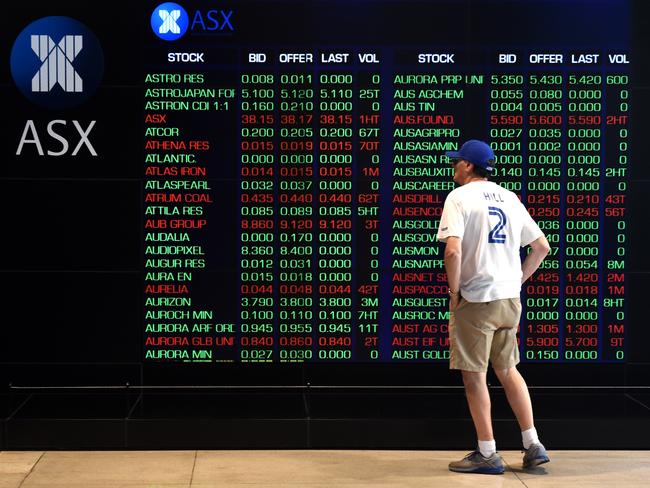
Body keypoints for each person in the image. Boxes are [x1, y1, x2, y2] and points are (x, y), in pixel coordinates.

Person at [437, 139, 551, 475]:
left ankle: (487, 452)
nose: (453, 167)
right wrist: (516, 281)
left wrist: (454, 292)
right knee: (508, 370)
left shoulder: (458, 198)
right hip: (508, 299)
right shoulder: (510, 198)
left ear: (469, 166)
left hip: (477, 298)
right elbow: (541, 247)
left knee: (475, 377)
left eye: (457, 162)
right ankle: (533, 444)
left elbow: (453, 252)